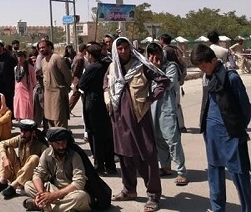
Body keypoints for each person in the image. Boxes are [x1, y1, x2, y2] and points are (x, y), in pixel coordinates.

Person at [105, 37, 169, 212]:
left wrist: (151, 98)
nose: (123, 52)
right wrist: (107, 99)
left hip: (139, 118)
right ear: (115, 50)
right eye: (120, 49)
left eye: (126, 48)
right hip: (118, 119)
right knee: (125, 156)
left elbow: (163, 81)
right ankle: (129, 190)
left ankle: (153, 195)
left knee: (146, 156)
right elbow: (106, 85)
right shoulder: (112, 68)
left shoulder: (140, 66)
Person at [191, 44, 251, 212]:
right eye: (199, 67)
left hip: (231, 135)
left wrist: (238, 130)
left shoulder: (231, 78)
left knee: (240, 175)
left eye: (204, 65)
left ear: (214, 60)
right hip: (211, 134)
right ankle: (217, 208)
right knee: (215, 173)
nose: (202, 69)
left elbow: (245, 109)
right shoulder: (207, 77)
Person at [147, 44, 188, 186]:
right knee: (158, 137)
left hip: (167, 106)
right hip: (153, 106)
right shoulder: (147, 67)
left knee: (172, 138)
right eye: (151, 54)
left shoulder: (171, 66)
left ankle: (181, 171)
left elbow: (167, 84)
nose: (155, 57)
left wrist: (155, 70)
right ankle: (165, 167)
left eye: (157, 52)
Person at [23, 128, 91, 212]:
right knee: (28, 185)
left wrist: (53, 196)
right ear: (51, 143)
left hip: (70, 192)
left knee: (81, 197)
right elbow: (38, 175)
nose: (61, 146)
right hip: (53, 189)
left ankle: (43, 207)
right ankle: (62, 207)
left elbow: (79, 183)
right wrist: (41, 193)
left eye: (64, 143)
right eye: (58, 143)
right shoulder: (47, 154)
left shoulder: (74, 156)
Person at [78, 42, 116, 176]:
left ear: (91, 55)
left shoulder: (92, 68)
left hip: (93, 103)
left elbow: (81, 85)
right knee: (107, 135)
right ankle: (110, 165)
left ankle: (99, 164)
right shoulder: (107, 65)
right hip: (106, 103)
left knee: (95, 135)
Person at [0, 119, 48, 200]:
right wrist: (5, 158)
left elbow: (48, 163)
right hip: (18, 171)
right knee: (8, 149)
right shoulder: (20, 138)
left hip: (30, 178)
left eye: (26, 132)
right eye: (21, 131)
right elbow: (1, 144)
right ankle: (3, 182)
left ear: (33, 133)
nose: (22, 134)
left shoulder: (41, 145)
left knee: (35, 158)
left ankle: (13, 186)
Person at [40, 39, 73, 128]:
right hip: (47, 94)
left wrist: (66, 87)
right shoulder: (43, 61)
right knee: (50, 120)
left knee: (59, 120)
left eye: (43, 47)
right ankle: (54, 141)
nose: (41, 49)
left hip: (58, 94)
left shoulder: (56, 58)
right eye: (40, 48)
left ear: (50, 47)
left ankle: (62, 141)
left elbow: (67, 75)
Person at [13, 50, 36, 121]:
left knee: (27, 109)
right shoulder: (16, 68)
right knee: (19, 108)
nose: (20, 58)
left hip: (27, 91)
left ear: (25, 57)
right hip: (18, 91)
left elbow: (34, 81)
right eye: (18, 56)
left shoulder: (30, 68)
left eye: (22, 56)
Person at [68, 44, 87, 112]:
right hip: (77, 79)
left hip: (77, 78)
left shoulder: (78, 57)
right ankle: (67, 109)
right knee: (75, 95)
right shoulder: (80, 58)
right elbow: (75, 70)